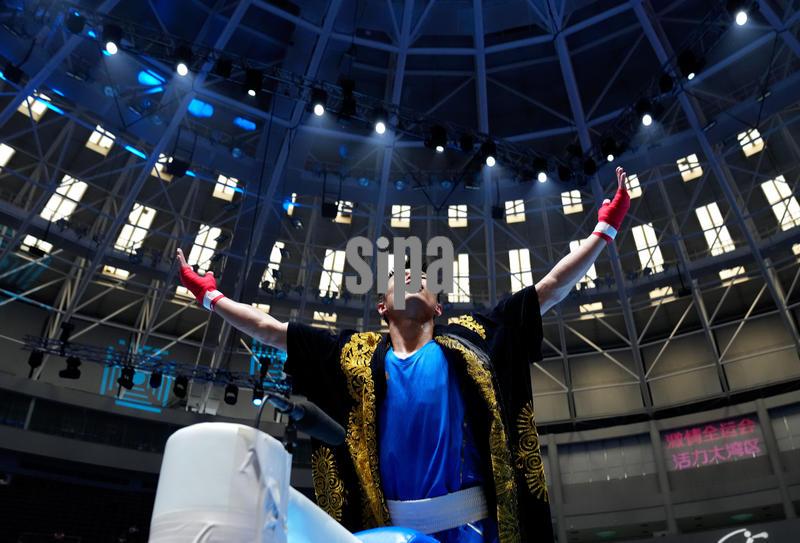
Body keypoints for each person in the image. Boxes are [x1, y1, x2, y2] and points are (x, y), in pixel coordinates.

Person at [176, 167, 632, 542]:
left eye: (423, 279)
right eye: (400, 277)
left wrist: (604, 230)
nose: (412, 277)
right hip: (387, 533)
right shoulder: (354, 355)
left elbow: (548, 289)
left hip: (473, 529)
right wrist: (211, 297)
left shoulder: (472, 338)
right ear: (382, 307)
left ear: (438, 307)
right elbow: (272, 331)